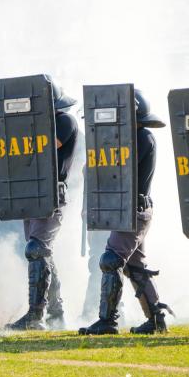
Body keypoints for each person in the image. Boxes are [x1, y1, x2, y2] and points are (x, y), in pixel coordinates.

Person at [79, 89, 173, 335]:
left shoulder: (142, 138)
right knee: (135, 266)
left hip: (134, 210)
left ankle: (108, 321)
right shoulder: (129, 138)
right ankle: (156, 320)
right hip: (127, 209)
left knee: (111, 260)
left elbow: (122, 169)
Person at [6, 77, 77, 331]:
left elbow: (43, 147)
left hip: (52, 192)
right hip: (33, 191)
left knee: (37, 249)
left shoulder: (64, 120)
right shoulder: (37, 123)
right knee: (40, 252)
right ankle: (55, 314)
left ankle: (35, 317)